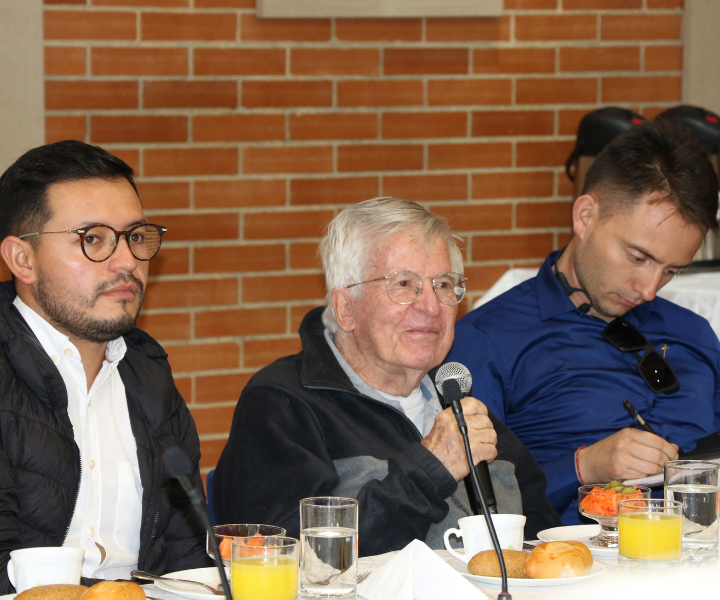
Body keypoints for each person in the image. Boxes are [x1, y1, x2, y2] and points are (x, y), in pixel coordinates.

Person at [213, 197, 561, 556]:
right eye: (404, 284)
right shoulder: (281, 404)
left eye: (443, 284)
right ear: (346, 308)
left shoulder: (461, 405)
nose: (430, 306)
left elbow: (545, 545)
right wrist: (430, 470)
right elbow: (286, 557)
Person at [446, 119, 720, 524]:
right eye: (638, 257)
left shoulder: (693, 331)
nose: (648, 289)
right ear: (586, 216)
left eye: (671, 271)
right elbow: (464, 504)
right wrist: (583, 467)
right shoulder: (488, 340)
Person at [0, 140, 211, 593]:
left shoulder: (150, 375)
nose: (127, 262)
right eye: (93, 239)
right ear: (23, 259)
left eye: (135, 237)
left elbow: (188, 558)